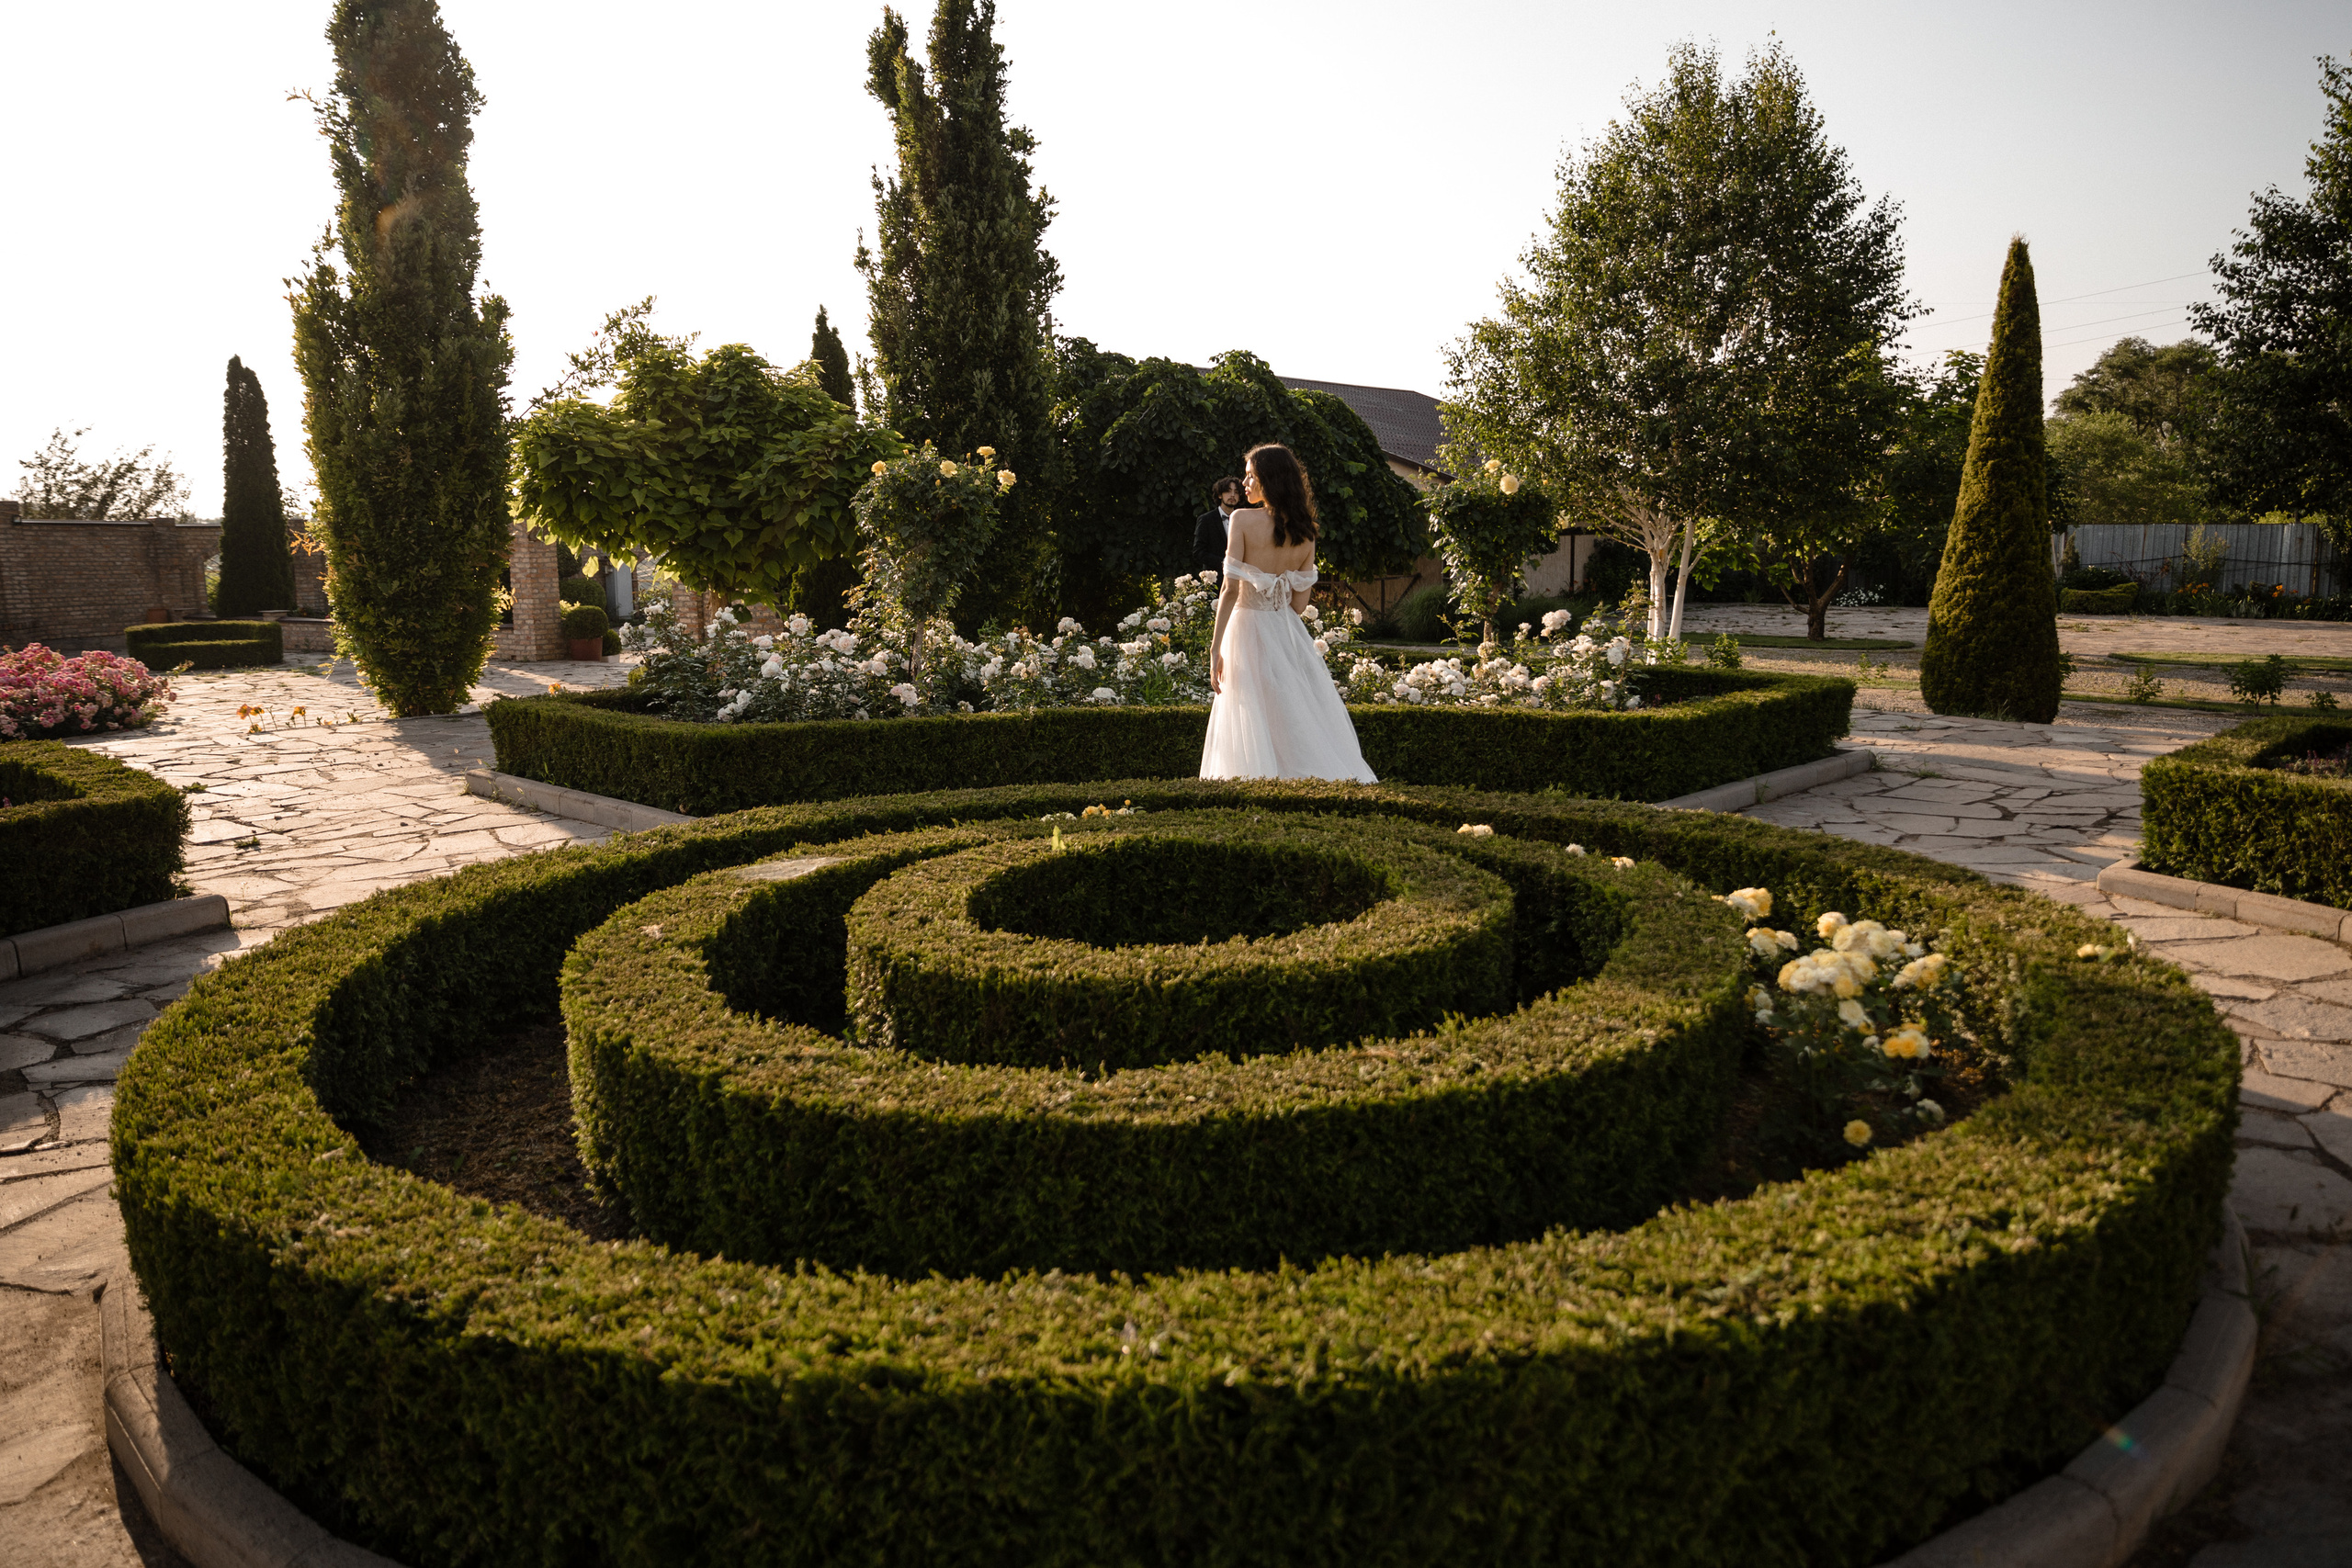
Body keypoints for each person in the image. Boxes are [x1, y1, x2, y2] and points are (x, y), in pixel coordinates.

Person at [1200, 444, 1377, 783]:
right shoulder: (1307, 532)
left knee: (1250, 708)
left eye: (1251, 476)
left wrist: (1214, 650)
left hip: (1245, 627)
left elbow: (1230, 589)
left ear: (1270, 480)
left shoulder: (1240, 519)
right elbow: (1298, 605)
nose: (1245, 484)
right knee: (1292, 709)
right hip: (1285, 631)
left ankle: (1254, 780)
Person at [1191, 477, 1244, 580]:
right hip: (1215, 581)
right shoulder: (1206, 520)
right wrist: (1224, 563)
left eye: (1236, 492)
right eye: (1228, 491)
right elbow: (1198, 553)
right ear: (1219, 495)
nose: (1232, 495)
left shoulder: (1244, 520)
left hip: (1240, 579)